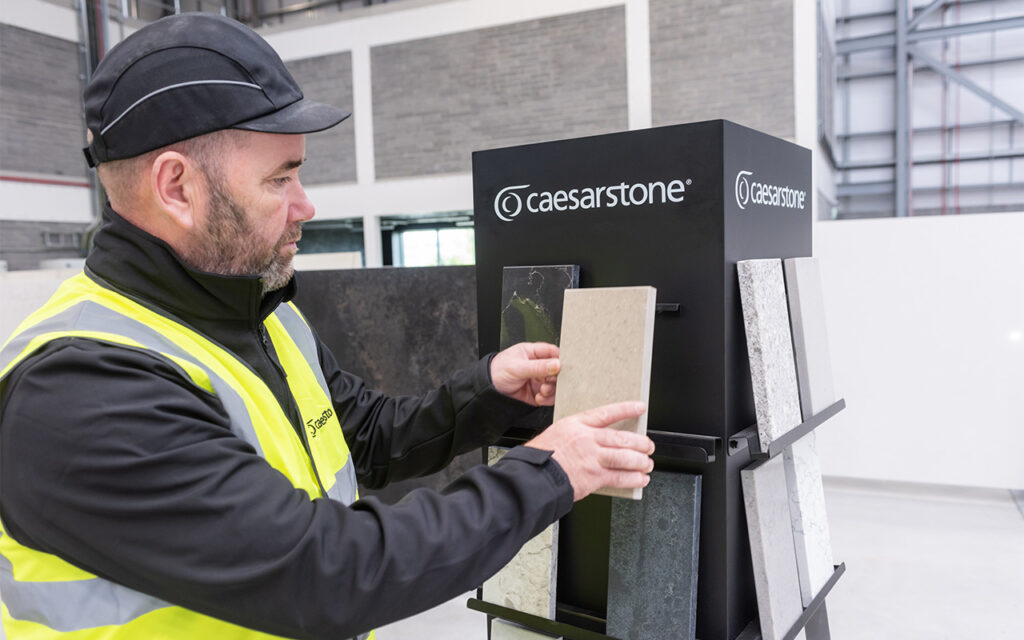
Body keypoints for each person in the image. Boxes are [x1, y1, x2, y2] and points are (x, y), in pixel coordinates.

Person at [0, 12, 655, 640]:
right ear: (177, 187)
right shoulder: (82, 389)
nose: (305, 205)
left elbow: (367, 438)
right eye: (279, 178)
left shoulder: (260, 316)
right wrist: (547, 472)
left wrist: (488, 391)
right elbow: (327, 573)